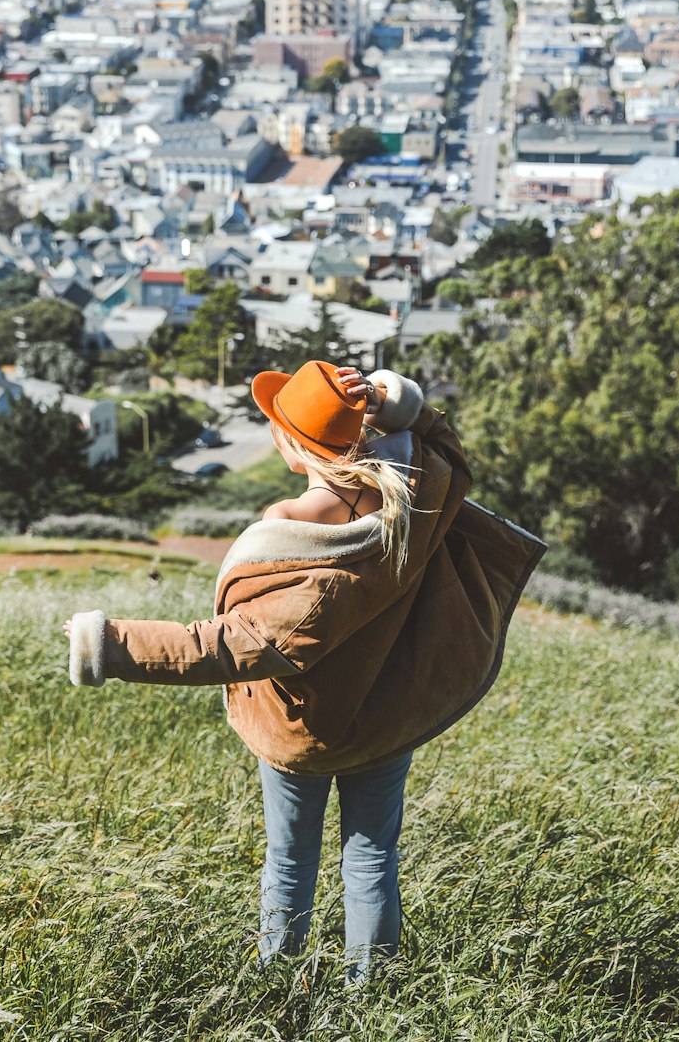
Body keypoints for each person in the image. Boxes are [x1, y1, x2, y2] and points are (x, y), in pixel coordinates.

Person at [65, 360, 545, 983]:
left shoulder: (295, 540)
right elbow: (445, 443)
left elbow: (231, 645)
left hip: (302, 729)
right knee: (373, 859)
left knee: (290, 860)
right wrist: (397, 403)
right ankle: (371, 996)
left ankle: (276, 984)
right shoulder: (416, 490)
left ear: (294, 444)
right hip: (384, 718)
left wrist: (105, 643)